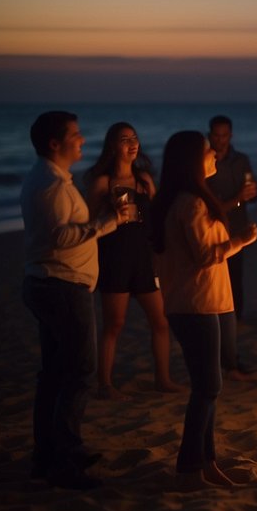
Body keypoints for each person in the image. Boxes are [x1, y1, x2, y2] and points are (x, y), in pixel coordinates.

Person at [22, 111, 133, 489]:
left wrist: (102, 219)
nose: (83, 140)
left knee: (53, 374)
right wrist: (108, 222)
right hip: (62, 286)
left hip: (54, 284)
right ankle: (65, 460)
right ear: (56, 144)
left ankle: (47, 454)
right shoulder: (50, 185)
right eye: (76, 135)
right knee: (79, 372)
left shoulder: (53, 179)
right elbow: (62, 238)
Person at [151, 131, 257, 491]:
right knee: (208, 386)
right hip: (194, 302)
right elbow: (204, 256)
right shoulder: (190, 204)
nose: (215, 153)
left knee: (209, 385)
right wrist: (241, 241)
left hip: (205, 300)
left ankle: (206, 463)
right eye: (207, 150)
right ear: (192, 161)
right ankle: (188, 467)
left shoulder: (192, 199)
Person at [83, 122, 181, 398]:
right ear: (113, 146)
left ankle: (163, 378)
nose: (132, 143)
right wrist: (109, 210)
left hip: (144, 258)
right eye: (124, 139)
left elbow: (159, 215)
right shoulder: (103, 183)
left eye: (134, 138)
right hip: (114, 257)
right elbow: (87, 223)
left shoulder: (144, 180)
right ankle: (105, 384)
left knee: (160, 321)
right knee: (114, 324)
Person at [205, 115, 257, 380]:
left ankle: (231, 352)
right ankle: (227, 360)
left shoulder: (240, 160)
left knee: (234, 286)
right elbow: (208, 209)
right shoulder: (206, 165)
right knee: (216, 299)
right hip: (214, 236)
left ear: (231, 136)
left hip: (236, 230)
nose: (220, 140)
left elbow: (251, 192)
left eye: (224, 135)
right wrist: (236, 199)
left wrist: (250, 193)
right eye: (216, 135)